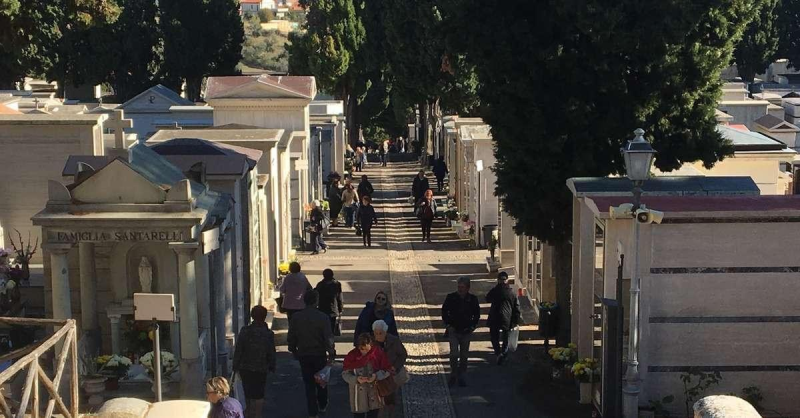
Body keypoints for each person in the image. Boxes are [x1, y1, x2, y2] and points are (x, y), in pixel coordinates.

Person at [288, 290, 336, 418]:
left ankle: (312, 411)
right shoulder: (323, 317)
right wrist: (331, 352)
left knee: (308, 383)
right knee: (321, 380)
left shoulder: (296, 317)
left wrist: (293, 349)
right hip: (319, 354)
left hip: (303, 354)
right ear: (316, 301)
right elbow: (328, 337)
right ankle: (322, 403)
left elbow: (291, 336)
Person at [232, 306, 276, 418]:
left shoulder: (245, 331)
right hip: (261, 368)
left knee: (247, 392)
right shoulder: (268, 334)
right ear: (265, 317)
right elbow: (271, 351)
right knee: (259, 394)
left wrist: (235, 365)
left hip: (245, 367)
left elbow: (239, 349)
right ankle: (257, 415)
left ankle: (248, 414)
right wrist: (272, 365)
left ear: (252, 316)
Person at [441, 276, 480, 387]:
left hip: (466, 331)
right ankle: (453, 373)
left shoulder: (472, 299)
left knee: (464, 355)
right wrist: (448, 325)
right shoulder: (451, 297)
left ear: (468, 288)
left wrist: (472, 327)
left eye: (462, 287)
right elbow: (444, 311)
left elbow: (476, 315)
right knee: (453, 353)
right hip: (453, 330)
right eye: (459, 287)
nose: (460, 289)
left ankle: (462, 374)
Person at [342, 333, 393, 418]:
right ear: (358, 347)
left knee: (373, 415)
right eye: (362, 349)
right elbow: (345, 374)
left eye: (367, 350)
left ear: (371, 345)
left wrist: (376, 376)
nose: (364, 352)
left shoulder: (378, 353)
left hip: (374, 393)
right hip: (358, 395)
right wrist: (356, 379)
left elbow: (387, 369)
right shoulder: (352, 356)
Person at [373, 320, 408, 417]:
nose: (378, 335)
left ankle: (390, 415)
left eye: (381, 333)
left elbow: (403, 354)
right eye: (376, 333)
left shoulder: (394, 341)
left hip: (391, 375)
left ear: (385, 332)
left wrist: (395, 367)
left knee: (391, 398)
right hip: (377, 375)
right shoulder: (371, 343)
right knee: (378, 400)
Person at [486, 271, 521, 365]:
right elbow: (517, 307)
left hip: (494, 316)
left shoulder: (495, 290)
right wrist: (516, 320)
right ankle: (504, 353)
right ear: (507, 280)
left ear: (498, 280)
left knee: (494, 337)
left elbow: (487, 298)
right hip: (507, 317)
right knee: (506, 337)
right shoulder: (512, 292)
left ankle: (498, 353)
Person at [315, 268, 343, 334]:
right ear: (332, 275)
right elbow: (339, 298)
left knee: (323, 329)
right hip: (333, 310)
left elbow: (316, 296)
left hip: (322, 310)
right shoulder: (337, 284)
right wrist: (340, 309)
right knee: (331, 329)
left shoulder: (320, 285)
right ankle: (331, 342)